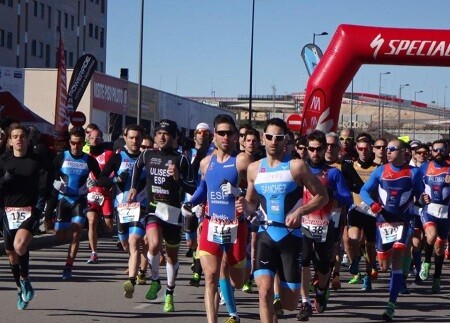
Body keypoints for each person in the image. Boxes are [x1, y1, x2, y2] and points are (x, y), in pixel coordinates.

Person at [245, 119, 329, 322]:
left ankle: (288, 298)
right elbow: (250, 203)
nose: (274, 141)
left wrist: (300, 211)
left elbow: (322, 196)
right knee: (264, 292)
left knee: (290, 303)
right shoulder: (254, 169)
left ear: (286, 141)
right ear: (263, 139)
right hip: (266, 235)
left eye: (279, 137)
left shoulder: (296, 166)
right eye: (269, 137)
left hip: (290, 238)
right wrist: (243, 207)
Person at [185, 114, 253, 323]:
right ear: (214, 135)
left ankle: (233, 302)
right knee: (210, 276)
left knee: (238, 281)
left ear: (235, 136)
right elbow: (203, 190)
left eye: (229, 133)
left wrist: (241, 195)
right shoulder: (206, 162)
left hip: (236, 227)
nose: (225, 137)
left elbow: (255, 188)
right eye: (221, 133)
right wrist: (189, 203)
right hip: (211, 224)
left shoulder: (241, 160)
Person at [128, 119, 196, 312]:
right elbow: (136, 167)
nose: (162, 137)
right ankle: (155, 279)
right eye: (158, 133)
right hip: (153, 210)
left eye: (166, 134)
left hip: (173, 214)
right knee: (154, 244)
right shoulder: (148, 154)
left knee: (172, 258)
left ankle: (169, 292)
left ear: (174, 138)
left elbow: (193, 186)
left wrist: (178, 179)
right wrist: (133, 187)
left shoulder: (181, 159)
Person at [360, 139, 421, 321]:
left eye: (392, 150)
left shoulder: (414, 173)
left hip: (403, 221)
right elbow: (364, 190)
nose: (387, 152)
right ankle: (371, 259)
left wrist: (422, 201)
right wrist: (373, 204)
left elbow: (420, 195)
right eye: (387, 149)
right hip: (383, 222)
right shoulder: (380, 171)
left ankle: (391, 305)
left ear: (403, 152)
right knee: (384, 265)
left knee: (398, 254)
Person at [297, 130, 352, 320]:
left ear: (324, 149)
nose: (315, 153)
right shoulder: (300, 169)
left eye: (318, 149)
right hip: (303, 223)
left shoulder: (333, 173)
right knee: (303, 260)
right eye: (311, 149)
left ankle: (321, 290)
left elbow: (348, 198)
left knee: (322, 264)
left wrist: (333, 195)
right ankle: (304, 302)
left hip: (326, 224)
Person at [0, 123, 53, 310]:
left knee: (19, 245)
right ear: (9, 141)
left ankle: (25, 278)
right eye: (15, 136)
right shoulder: (3, 161)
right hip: (7, 212)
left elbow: (46, 186)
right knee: (11, 253)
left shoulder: (37, 160)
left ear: (27, 139)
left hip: (29, 210)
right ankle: (19, 287)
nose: (19, 139)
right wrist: (3, 180)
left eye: (22, 136)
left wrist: (39, 209)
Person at [96, 124, 147, 296]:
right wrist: (116, 179)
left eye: (138, 138)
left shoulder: (146, 158)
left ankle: (131, 281)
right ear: (125, 138)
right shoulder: (118, 158)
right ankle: (140, 263)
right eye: (131, 137)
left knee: (134, 241)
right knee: (126, 243)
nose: (134, 141)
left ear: (142, 139)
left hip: (141, 206)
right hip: (122, 207)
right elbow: (101, 180)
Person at [53, 127, 101, 280]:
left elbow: (101, 178)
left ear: (83, 143)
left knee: (75, 234)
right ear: (69, 142)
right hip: (63, 199)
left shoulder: (89, 160)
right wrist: (55, 185)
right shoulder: (61, 156)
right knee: (60, 236)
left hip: (79, 200)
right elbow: (49, 175)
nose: (76, 146)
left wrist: (95, 185)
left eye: (79, 143)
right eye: (73, 143)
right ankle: (62, 227)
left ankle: (68, 266)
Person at [341, 136, 379, 290]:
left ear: (372, 148)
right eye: (360, 148)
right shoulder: (349, 166)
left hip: (372, 211)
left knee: (370, 246)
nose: (364, 152)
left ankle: (368, 275)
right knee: (352, 238)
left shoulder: (378, 167)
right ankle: (356, 257)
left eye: (367, 148)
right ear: (356, 148)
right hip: (356, 208)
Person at [417, 139, 450, 293]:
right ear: (432, 151)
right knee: (431, 236)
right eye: (436, 150)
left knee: (439, 248)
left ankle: (437, 277)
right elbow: (417, 187)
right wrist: (421, 197)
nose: (438, 153)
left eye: (442, 150)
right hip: (429, 210)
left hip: (445, 212)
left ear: (447, 151)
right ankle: (426, 262)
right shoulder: (425, 167)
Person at [85, 128, 115, 264]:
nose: (94, 141)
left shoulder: (108, 154)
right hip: (91, 193)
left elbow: (115, 169)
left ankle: (106, 223)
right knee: (91, 221)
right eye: (92, 138)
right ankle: (94, 253)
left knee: (109, 227)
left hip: (105, 193)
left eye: (97, 139)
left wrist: (111, 181)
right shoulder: (85, 154)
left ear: (102, 140)